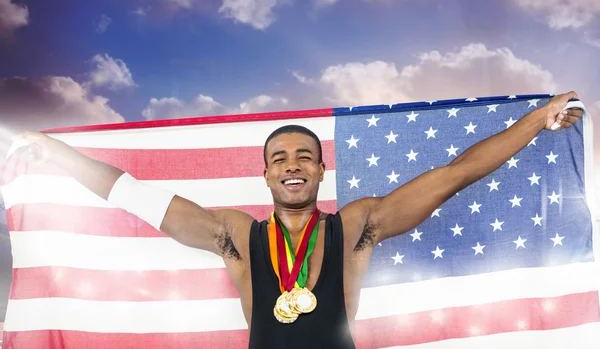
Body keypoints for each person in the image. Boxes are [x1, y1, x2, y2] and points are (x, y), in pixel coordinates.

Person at [0, 92, 585, 348]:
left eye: (304, 155)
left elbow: (456, 173)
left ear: (321, 170)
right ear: (266, 176)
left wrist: (537, 121)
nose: (292, 165)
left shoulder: (355, 226)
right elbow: (137, 197)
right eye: (279, 158)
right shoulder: (234, 235)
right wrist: (57, 153)